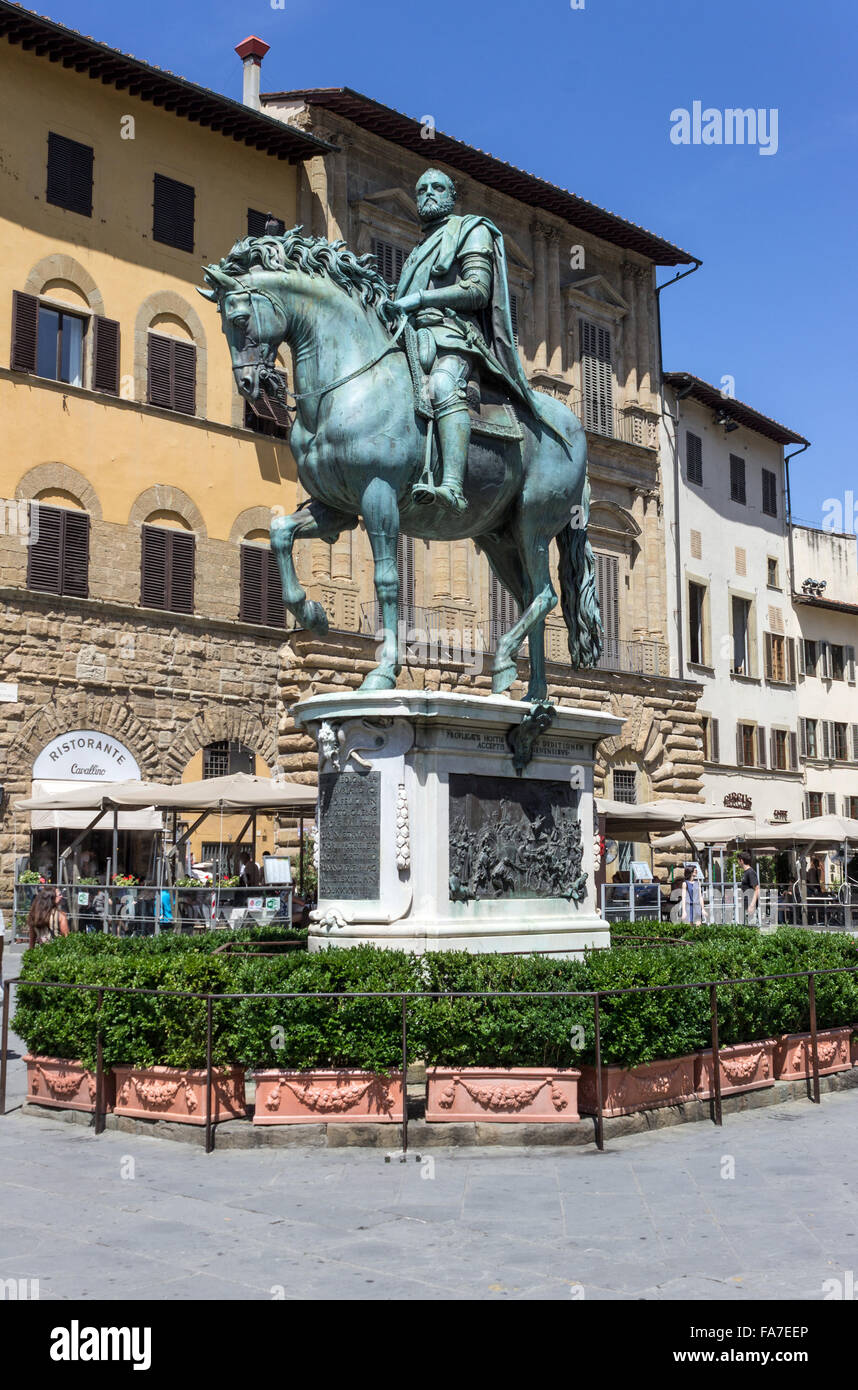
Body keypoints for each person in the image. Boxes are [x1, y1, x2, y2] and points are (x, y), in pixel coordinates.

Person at [389, 168, 546, 514]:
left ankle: (454, 486)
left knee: (444, 386)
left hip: (455, 337)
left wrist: (420, 300)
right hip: (414, 339)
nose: (429, 193)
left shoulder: (471, 230)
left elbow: (477, 289)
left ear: (451, 196)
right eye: (422, 189)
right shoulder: (417, 250)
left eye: (438, 187)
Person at [739, 852, 760, 925]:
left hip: (750, 904)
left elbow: (757, 889)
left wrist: (752, 905)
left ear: (741, 861)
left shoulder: (750, 872)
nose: (738, 863)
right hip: (746, 903)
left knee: (752, 927)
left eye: (738, 861)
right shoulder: (745, 872)